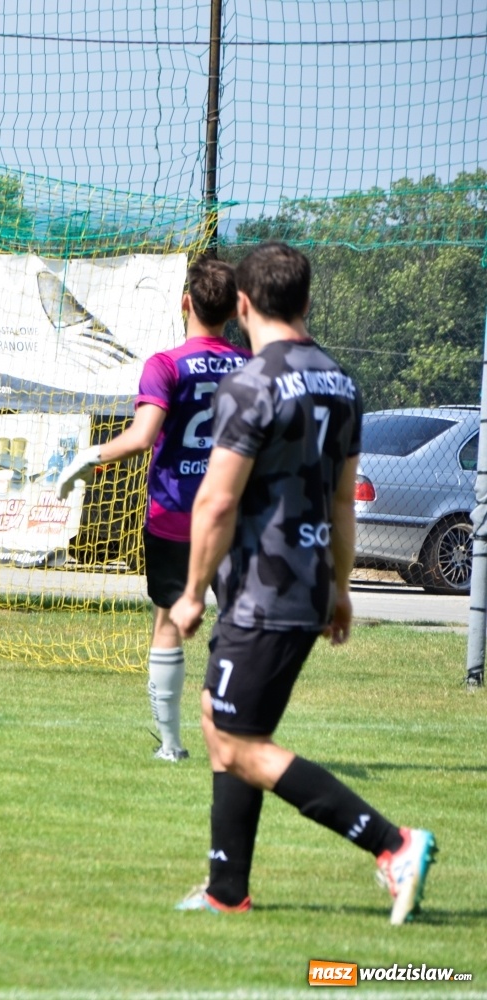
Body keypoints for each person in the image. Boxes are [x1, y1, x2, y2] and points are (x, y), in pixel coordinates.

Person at [168, 242, 435, 923]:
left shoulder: (251, 384)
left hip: (261, 589)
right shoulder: (342, 382)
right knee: (224, 721)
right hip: (309, 582)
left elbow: (218, 501)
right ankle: (227, 890)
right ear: (309, 301)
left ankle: (392, 843)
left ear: (245, 305)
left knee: (236, 743)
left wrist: (193, 591)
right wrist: (341, 589)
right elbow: (344, 503)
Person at [57, 259, 250, 761]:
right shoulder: (250, 366)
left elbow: (142, 438)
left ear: (186, 302)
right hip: (232, 516)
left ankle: (171, 745)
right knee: (235, 627)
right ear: (233, 310)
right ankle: (232, 737)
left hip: (173, 516)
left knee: (168, 623)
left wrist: (89, 457)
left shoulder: (165, 364)